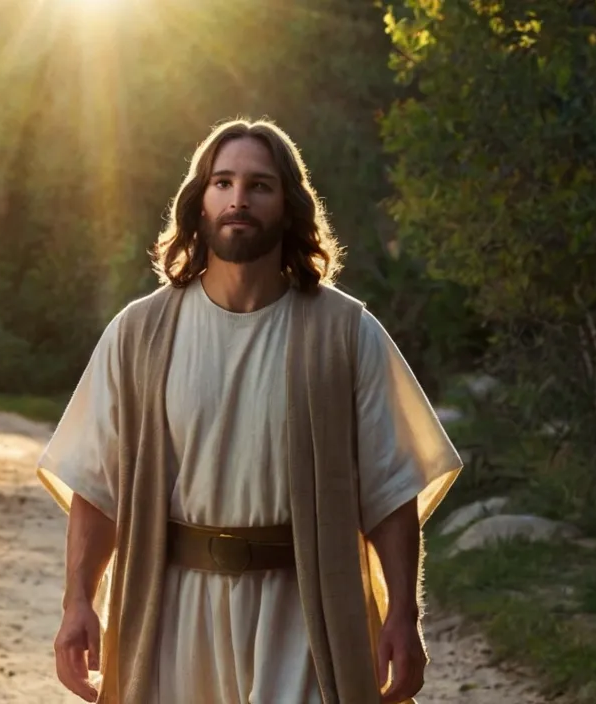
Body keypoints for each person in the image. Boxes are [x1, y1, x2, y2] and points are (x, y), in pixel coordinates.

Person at [36, 118, 461, 704]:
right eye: (223, 182)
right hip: (172, 612)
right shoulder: (138, 334)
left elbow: (390, 492)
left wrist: (404, 618)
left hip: (305, 611)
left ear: (288, 206)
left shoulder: (346, 334)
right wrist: (78, 601)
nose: (239, 198)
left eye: (260, 185)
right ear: (199, 202)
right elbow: (98, 485)